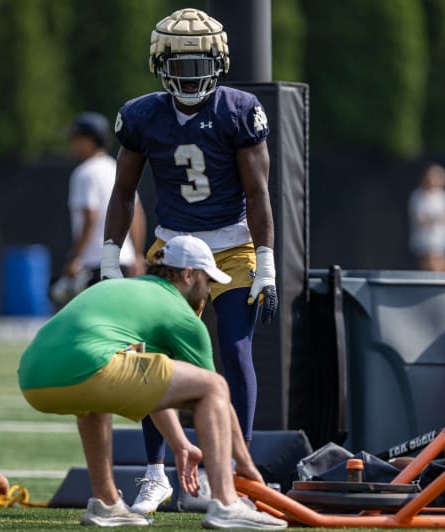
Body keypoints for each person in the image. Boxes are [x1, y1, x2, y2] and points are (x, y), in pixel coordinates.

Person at [100, 7, 278, 514]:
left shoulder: (239, 110)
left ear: (218, 63)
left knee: (235, 349)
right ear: (160, 65)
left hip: (231, 244)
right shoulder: (141, 114)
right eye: (180, 65)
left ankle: (237, 475)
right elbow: (123, 190)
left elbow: (258, 191)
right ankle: (154, 473)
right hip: (172, 245)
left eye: (200, 65)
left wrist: (264, 260)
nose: (190, 76)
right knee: (156, 356)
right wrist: (112, 256)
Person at [18, 235, 287, 529]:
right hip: (86, 366)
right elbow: (216, 396)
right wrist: (246, 465)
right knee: (214, 387)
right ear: (188, 274)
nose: (209, 291)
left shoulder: (124, 290)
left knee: (93, 398)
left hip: (33, 376)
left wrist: (180, 444)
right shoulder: (182, 316)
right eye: (208, 281)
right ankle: (226, 503)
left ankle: (106, 503)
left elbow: (153, 387)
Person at [49, 112, 146, 306]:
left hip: (94, 264)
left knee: (92, 326)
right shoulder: (115, 167)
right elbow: (136, 213)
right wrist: (137, 255)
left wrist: (75, 257)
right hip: (124, 261)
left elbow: (89, 218)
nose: (71, 145)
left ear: (90, 140)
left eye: (76, 139)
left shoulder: (84, 173)